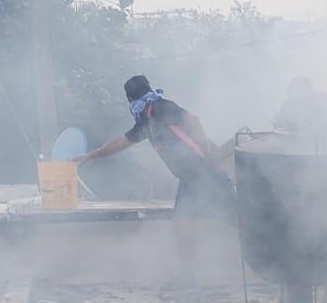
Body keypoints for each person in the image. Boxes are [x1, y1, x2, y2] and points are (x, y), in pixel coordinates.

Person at [75, 75, 235, 219]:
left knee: (225, 219)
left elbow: (194, 121)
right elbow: (121, 142)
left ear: (131, 100)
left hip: (203, 172)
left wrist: (208, 153)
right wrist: (90, 156)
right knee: (188, 223)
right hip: (190, 178)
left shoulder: (161, 108)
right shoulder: (147, 122)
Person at [272, 76, 327, 147]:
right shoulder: (287, 105)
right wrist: (277, 122)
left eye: (301, 91)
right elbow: (280, 123)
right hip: (294, 146)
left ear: (308, 91)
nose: (297, 94)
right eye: (293, 91)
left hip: (318, 146)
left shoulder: (319, 103)